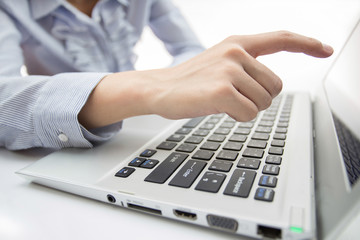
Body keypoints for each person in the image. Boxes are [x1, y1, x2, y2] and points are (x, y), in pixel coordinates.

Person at [0, 0, 333, 150]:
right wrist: (149, 89)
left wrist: (175, 84)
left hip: (145, 125)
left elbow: (187, 46)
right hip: (70, 142)